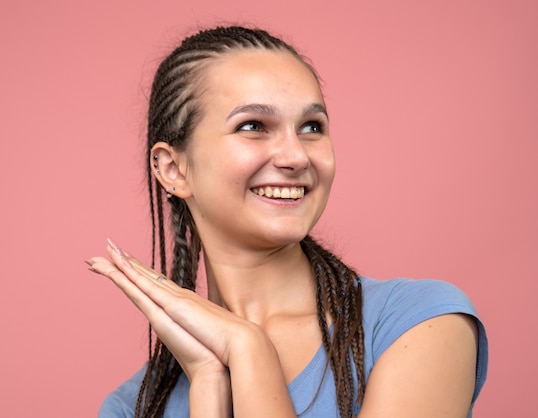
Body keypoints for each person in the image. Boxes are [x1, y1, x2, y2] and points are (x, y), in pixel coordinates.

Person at [86, 26, 488, 418]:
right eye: (253, 127)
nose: (296, 157)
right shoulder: (133, 408)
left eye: (312, 127)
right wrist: (210, 383)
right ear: (173, 169)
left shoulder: (420, 325)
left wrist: (249, 352)